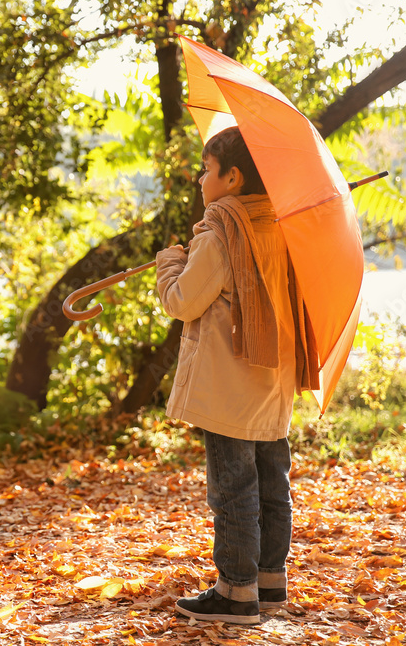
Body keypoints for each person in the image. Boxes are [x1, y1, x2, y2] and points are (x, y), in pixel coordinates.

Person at [155, 126, 317, 625]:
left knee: (232, 490)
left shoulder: (224, 231)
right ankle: (268, 581)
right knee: (271, 483)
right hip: (271, 381)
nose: (201, 180)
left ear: (233, 176)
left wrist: (170, 262)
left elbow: (182, 301)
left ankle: (236, 592)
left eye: (207, 170)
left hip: (228, 386)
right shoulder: (281, 226)